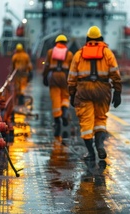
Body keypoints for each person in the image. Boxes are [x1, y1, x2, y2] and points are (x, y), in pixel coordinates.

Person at [67, 26, 122, 161]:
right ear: (100, 39)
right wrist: (117, 92)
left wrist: (72, 94)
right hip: (103, 89)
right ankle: (99, 144)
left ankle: (91, 153)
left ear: (87, 39)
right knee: (100, 119)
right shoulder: (107, 53)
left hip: (84, 90)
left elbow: (72, 77)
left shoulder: (79, 54)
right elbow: (115, 74)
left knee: (86, 122)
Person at [43, 34, 74, 143]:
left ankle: (57, 121)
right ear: (65, 43)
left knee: (55, 97)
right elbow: (72, 69)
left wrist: (44, 77)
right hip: (65, 76)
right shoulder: (69, 54)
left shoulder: (50, 52)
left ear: (56, 42)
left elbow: (46, 66)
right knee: (65, 95)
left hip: (53, 76)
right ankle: (65, 111)